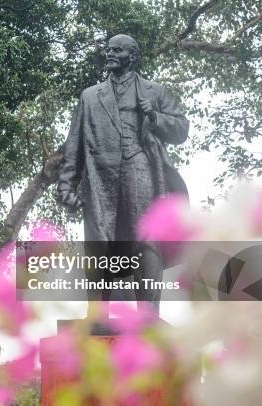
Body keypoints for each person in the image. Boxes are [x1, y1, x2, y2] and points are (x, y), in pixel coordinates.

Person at [56, 34, 189, 311]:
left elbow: (181, 129)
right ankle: (95, 314)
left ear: (132, 56)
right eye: (109, 50)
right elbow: (75, 143)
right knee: (98, 242)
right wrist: (66, 185)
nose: (110, 54)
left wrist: (154, 116)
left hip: (140, 169)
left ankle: (149, 316)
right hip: (99, 175)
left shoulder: (154, 91)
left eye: (117, 50)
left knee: (145, 238)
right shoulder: (90, 96)